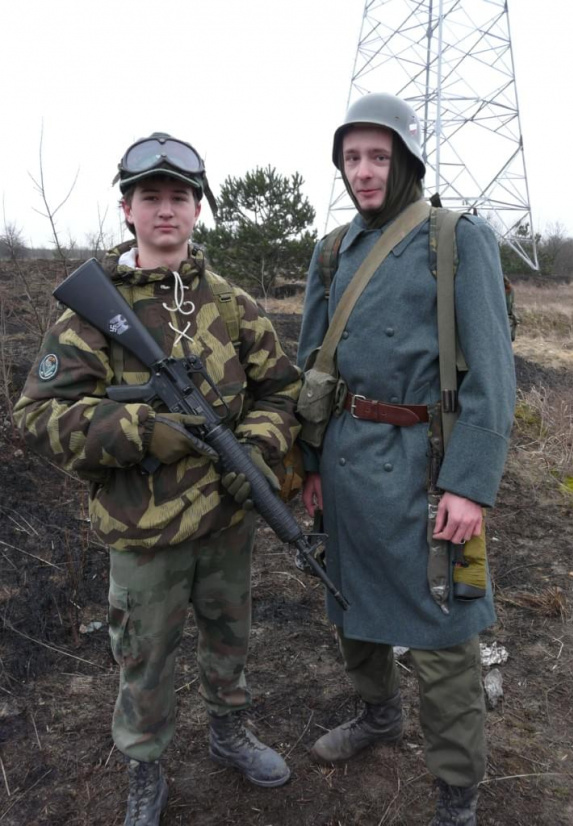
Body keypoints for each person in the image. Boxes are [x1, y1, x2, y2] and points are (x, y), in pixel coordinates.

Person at [14, 132, 302, 825]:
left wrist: (257, 451)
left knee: (230, 638)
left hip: (228, 522)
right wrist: (142, 430)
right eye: (152, 198)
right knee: (143, 656)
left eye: (179, 197)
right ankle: (145, 765)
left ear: (199, 210)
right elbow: (37, 415)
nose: (165, 210)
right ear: (127, 210)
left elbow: (281, 392)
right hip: (142, 534)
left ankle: (229, 733)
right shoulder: (90, 312)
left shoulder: (233, 305)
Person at [297, 94, 516, 826]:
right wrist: (309, 465)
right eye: (352, 158)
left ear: (406, 161)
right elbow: (311, 371)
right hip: (346, 458)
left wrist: (469, 485)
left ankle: (458, 792)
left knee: (446, 629)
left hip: (426, 468)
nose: (364, 172)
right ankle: (378, 715)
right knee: (350, 599)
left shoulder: (457, 240)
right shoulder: (331, 251)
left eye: (378, 156)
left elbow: (492, 375)